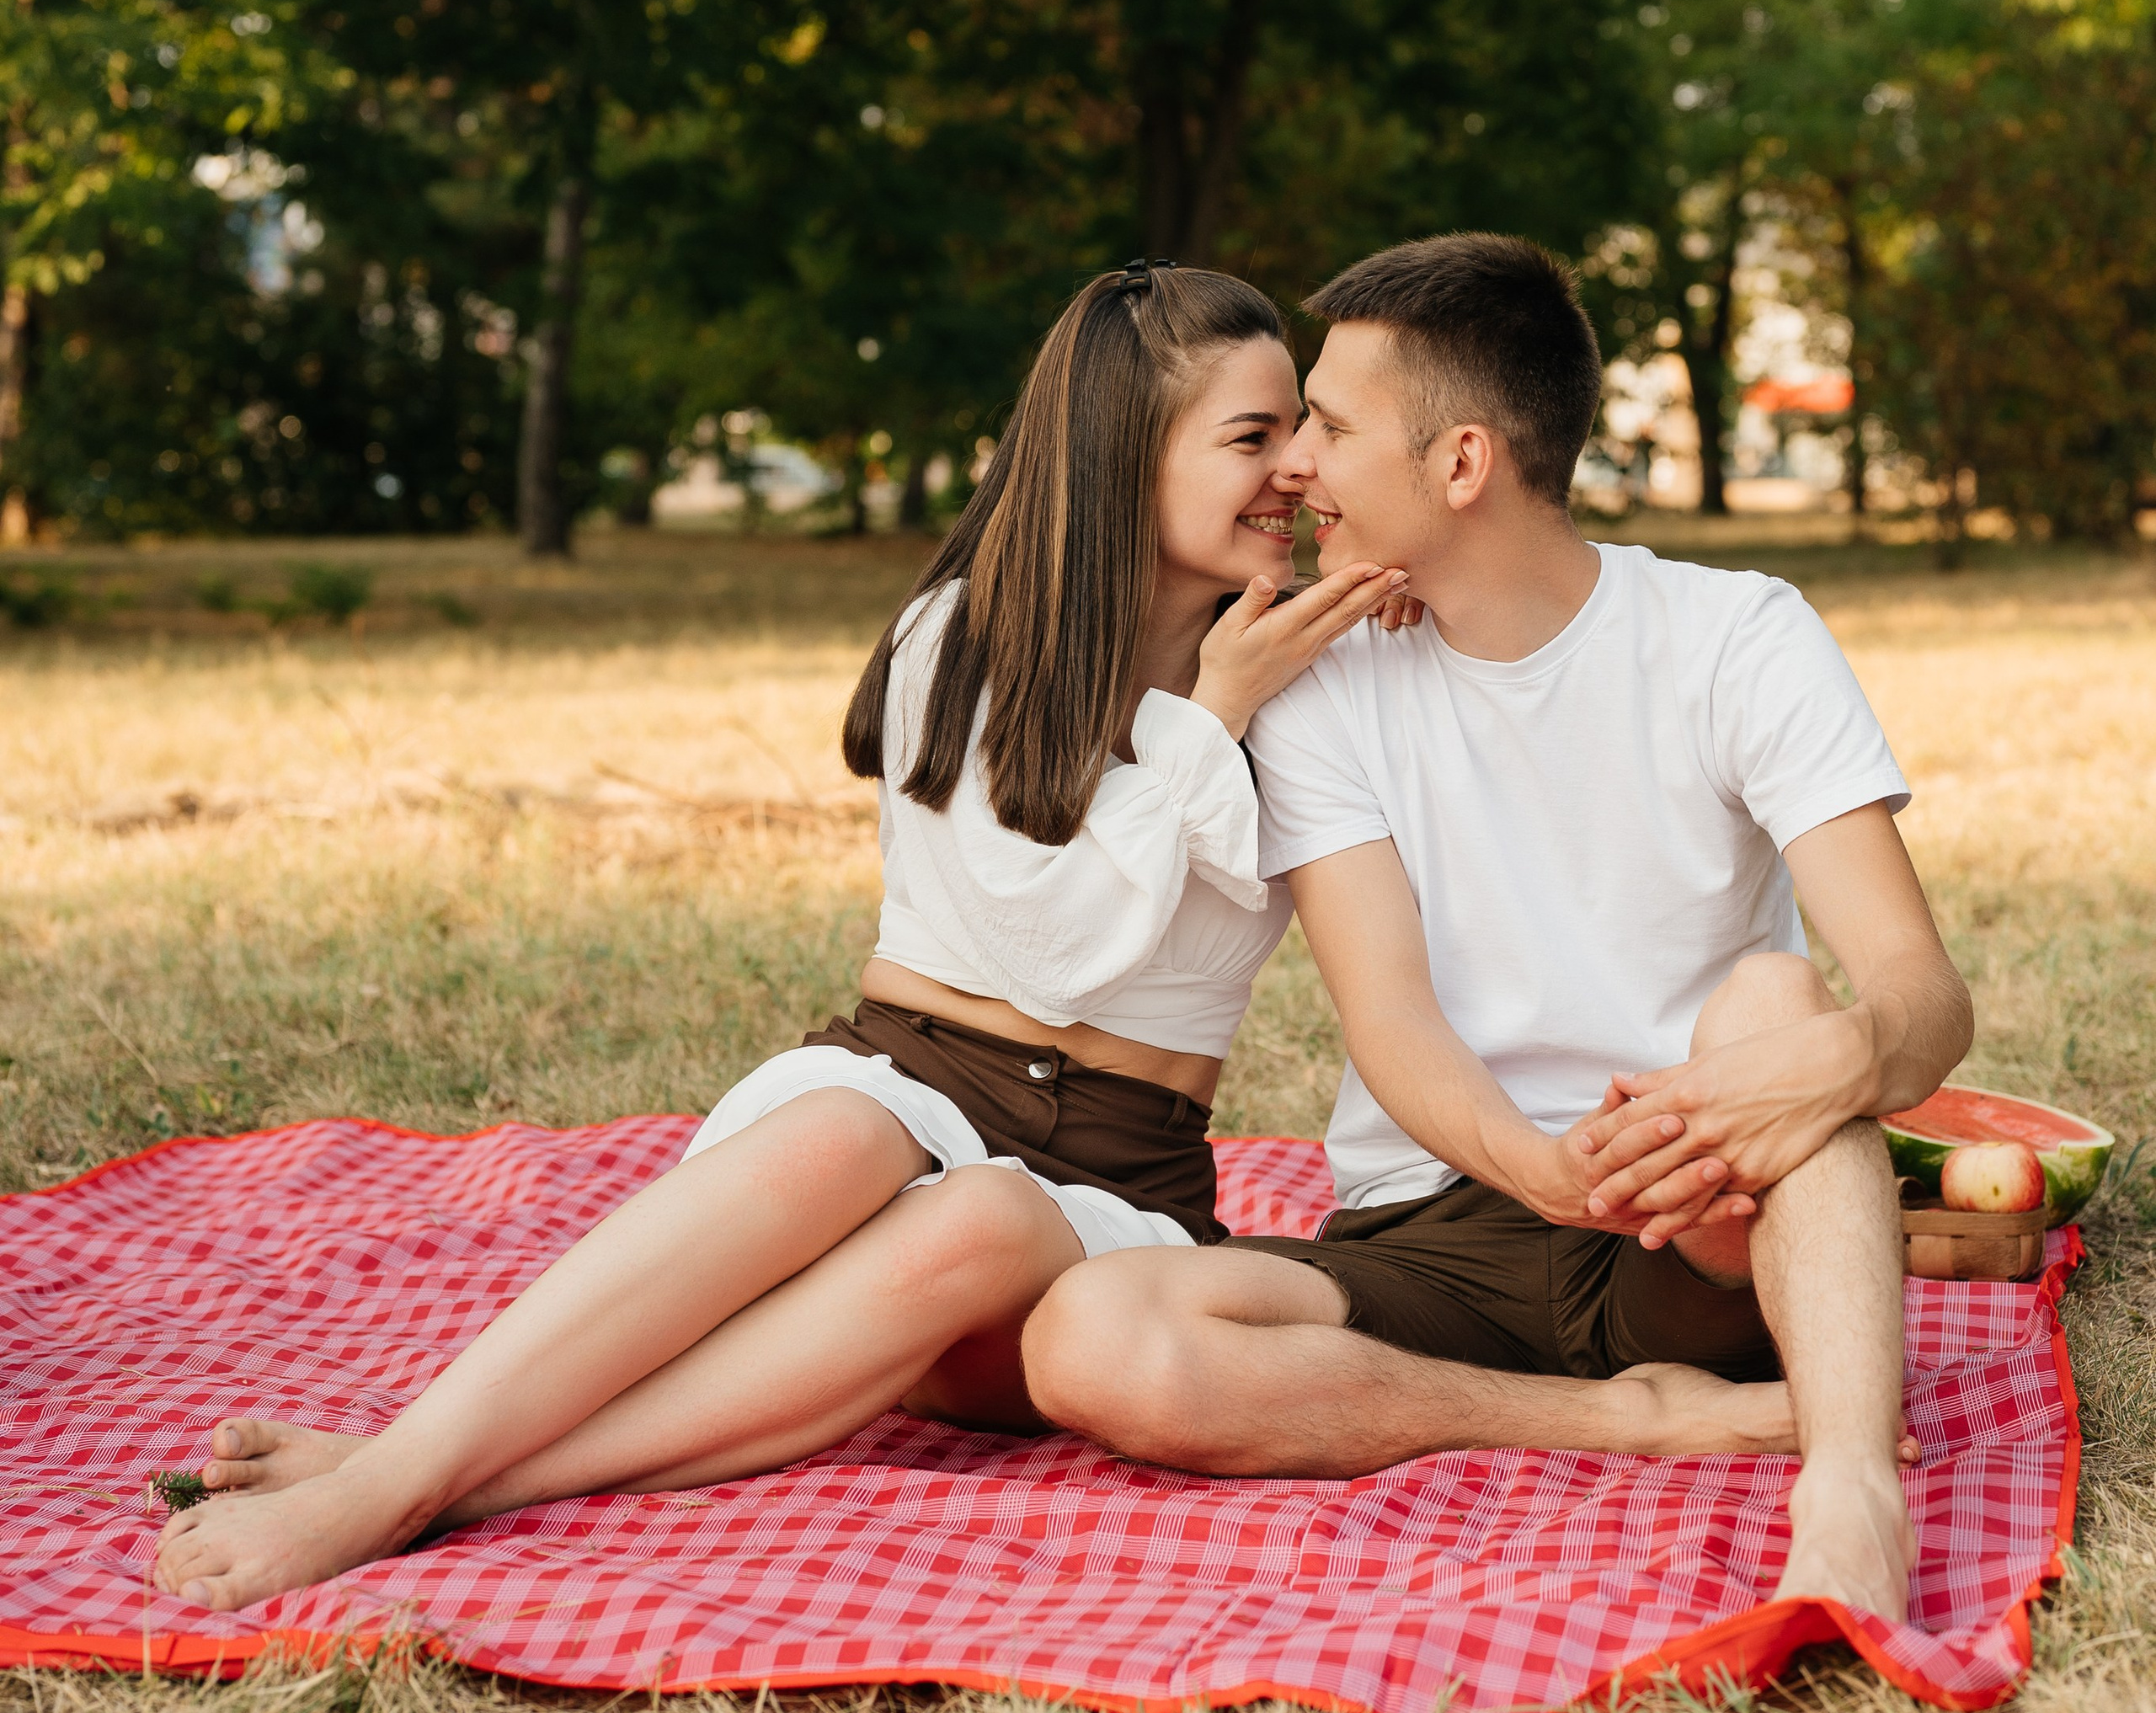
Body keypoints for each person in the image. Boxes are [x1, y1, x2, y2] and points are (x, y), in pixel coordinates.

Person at [150, 264, 1432, 1613]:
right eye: (1252, 435)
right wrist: (1201, 717)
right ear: (1123, 458)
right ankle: (404, 1470)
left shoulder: (1317, 679)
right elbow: (1042, 955)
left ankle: (422, 1479)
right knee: (842, 1134)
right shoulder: (972, 640)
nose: (1296, 464)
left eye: (1300, 428)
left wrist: (1284, 670)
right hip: (903, 1082)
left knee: (987, 1217)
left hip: (1108, 1194)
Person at [1023, 234, 1970, 1625]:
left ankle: (1847, 1491)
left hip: (1686, 1209)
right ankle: (1649, 1423)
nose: (1298, 467)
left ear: (1461, 464)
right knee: (1092, 1337)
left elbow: (1920, 996)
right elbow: (1392, 1019)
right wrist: (1540, 1167)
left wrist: (1825, 1067)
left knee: (1778, 998)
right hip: (1437, 1224)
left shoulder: (1736, 637)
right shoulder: (1323, 684)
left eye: (1333, 429)